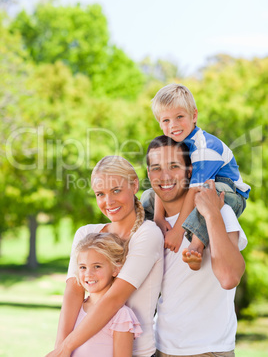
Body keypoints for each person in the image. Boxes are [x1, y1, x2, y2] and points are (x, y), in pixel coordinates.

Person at [46, 156, 164, 357]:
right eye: (100, 194)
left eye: (116, 190)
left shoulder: (147, 234)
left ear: (134, 184)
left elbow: (115, 299)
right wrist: (61, 349)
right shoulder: (86, 234)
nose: (108, 202)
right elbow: (73, 292)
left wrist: (65, 347)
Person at [142, 135, 247, 356]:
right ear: (149, 174)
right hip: (160, 347)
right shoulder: (149, 223)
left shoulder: (220, 212)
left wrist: (210, 214)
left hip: (208, 350)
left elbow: (229, 278)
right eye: (156, 168)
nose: (166, 176)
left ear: (191, 171)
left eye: (174, 166)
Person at [146, 83, 250, 270]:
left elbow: (195, 190)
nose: (174, 125)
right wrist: (159, 218)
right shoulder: (174, 144)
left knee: (207, 193)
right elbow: (164, 178)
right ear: (160, 123)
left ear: (194, 116)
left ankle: (196, 245)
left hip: (230, 191)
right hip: (201, 186)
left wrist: (178, 230)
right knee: (147, 195)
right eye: (166, 120)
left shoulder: (205, 146)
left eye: (179, 117)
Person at [71, 232, 142, 357]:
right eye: (83, 267)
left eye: (97, 266)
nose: (88, 274)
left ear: (116, 269)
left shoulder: (121, 315)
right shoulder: (76, 308)